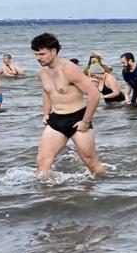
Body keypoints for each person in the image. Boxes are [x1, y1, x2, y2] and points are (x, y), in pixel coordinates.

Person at [31, 33, 104, 177]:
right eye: (36, 54)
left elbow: (94, 94)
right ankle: (45, 196)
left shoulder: (69, 69)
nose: (38, 58)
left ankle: (107, 189)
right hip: (56, 119)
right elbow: (47, 92)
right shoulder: (41, 72)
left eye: (42, 54)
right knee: (42, 161)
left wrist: (85, 121)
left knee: (90, 162)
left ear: (53, 51)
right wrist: (45, 113)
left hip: (77, 119)